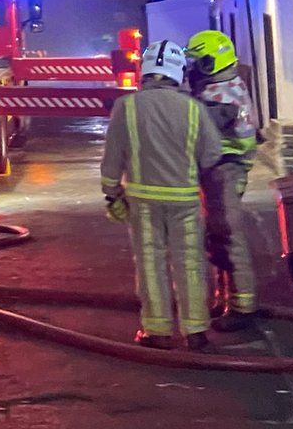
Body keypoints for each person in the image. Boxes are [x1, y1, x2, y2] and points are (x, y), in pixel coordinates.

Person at [101, 40, 222, 350]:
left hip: (142, 202)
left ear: (146, 72)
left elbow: (112, 158)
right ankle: (195, 331)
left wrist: (112, 194)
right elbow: (211, 156)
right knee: (190, 262)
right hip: (184, 200)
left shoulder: (126, 107)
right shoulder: (193, 110)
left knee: (150, 263)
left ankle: (158, 332)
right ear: (177, 72)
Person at [186, 30, 259, 331]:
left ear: (211, 61)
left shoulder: (222, 95)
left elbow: (202, 126)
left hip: (227, 168)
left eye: (197, 61)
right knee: (216, 234)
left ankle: (244, 306)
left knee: (228, 233)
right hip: (221, 168)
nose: (192, 68)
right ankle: (225, 299)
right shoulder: (221, 84)